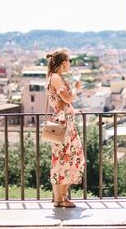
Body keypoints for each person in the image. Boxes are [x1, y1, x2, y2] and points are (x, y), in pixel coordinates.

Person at [46, 49, 85, 208]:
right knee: (65, 159)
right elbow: (67, 98)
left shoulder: (56, 77)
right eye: (69, 61)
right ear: (63, 63)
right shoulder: (56, 78)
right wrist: (76, 87)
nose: (70, 64)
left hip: (65, 123)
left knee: (66, 159)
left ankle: (61, 198)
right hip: (63, 125)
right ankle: (60, 199)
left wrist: (72, 110)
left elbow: (62, 102)